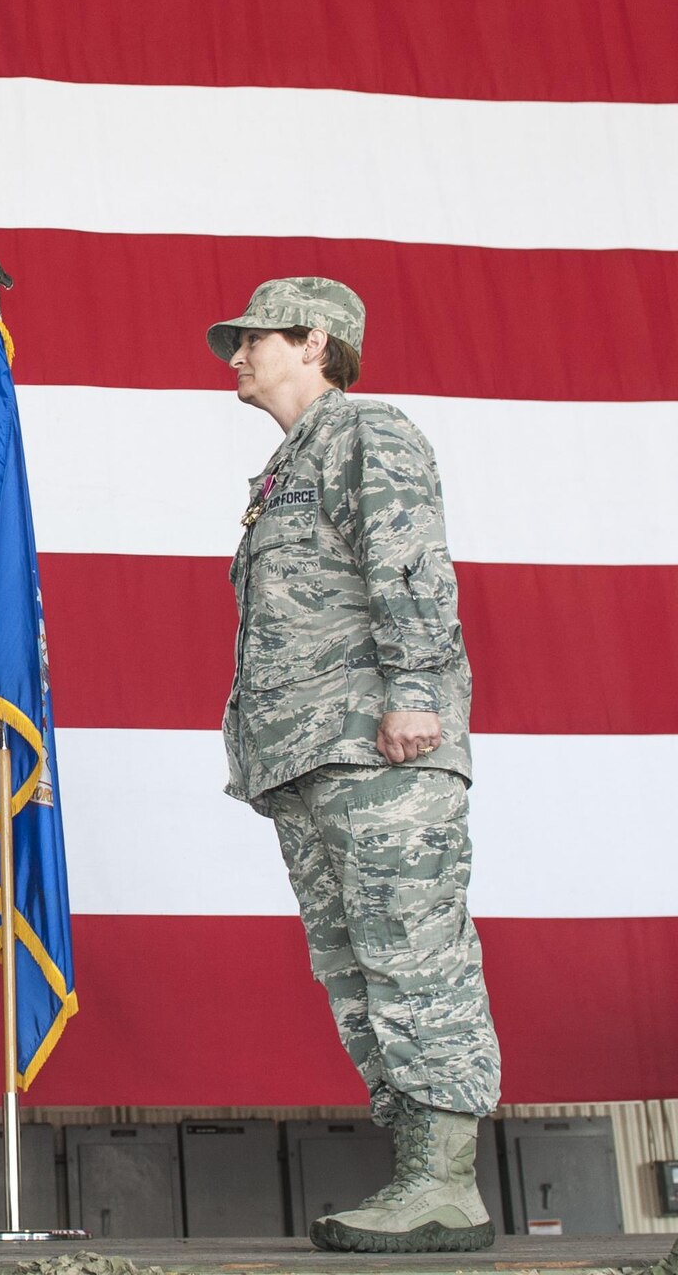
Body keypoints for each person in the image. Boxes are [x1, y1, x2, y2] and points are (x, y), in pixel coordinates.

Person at [212, 278, 500, 1254]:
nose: (236, 355)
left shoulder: (366, 430)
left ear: (314, 340)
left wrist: (414, 688)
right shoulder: (281, 466)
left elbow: (408, 559)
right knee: (353, 971)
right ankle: (418, 1167)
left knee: (412, 956)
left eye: (253, 338)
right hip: (311, 754)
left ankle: (442, 1181)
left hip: (379, 747)